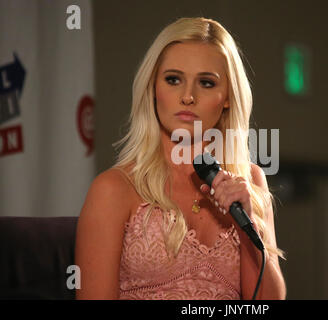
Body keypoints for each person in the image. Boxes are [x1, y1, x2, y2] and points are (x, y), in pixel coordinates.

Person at [75, 17, 286, 300]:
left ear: (227, 97)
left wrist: (248, 223)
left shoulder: (250, 182)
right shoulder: (113, 189)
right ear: (153, 88)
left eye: (206, 83)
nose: (188, 96)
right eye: (173, 80)